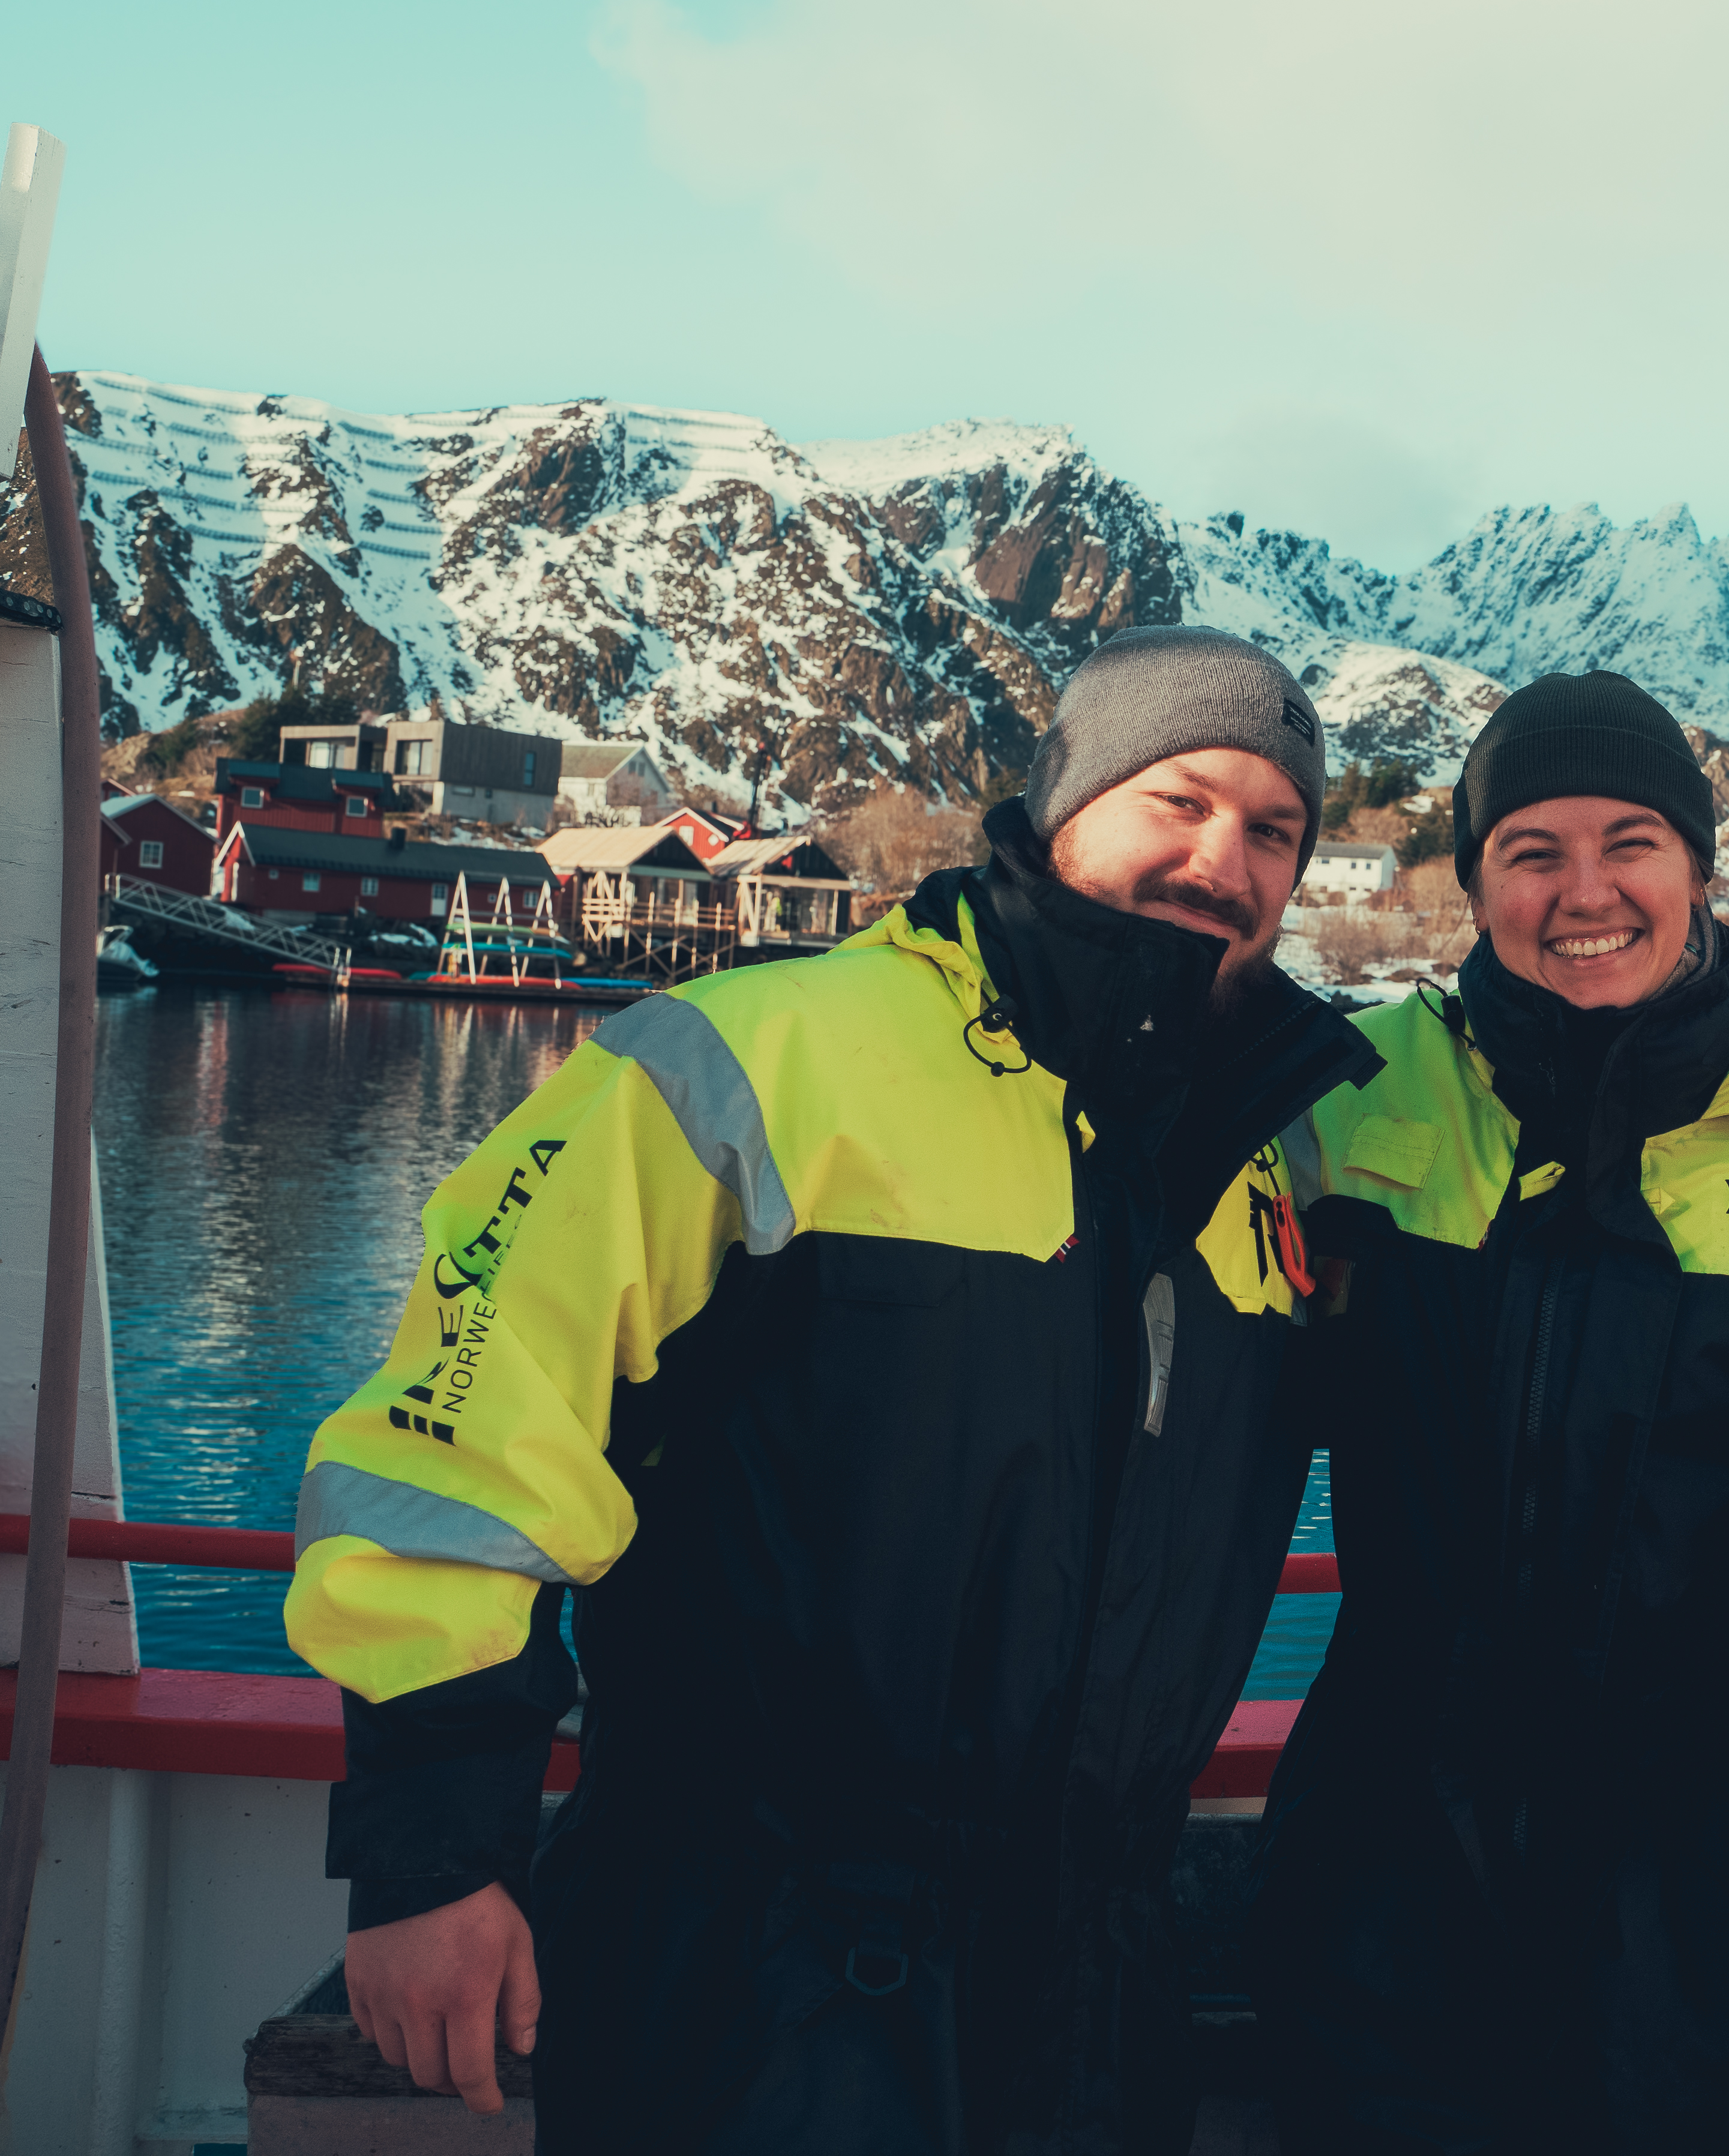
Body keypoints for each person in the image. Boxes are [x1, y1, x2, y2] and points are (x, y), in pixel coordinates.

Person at [282, 626, 1383, 2155]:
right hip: (750, 1963)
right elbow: (468, 1437)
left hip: (1088, 1979)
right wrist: (428, 1855)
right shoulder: (753, 1059)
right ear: (1065, 801)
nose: (1224, 859)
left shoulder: (1260, 1157)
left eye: (1276, 832)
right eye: (1181, 800)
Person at [1252, 672, 1729, 2155]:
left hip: (1707, 1852)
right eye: (1532, 852)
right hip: (1398, 1834)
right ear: (1475, 885)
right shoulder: (1336, 1099)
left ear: (1700, 867)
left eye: (1632, 841)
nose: (1588, 893)